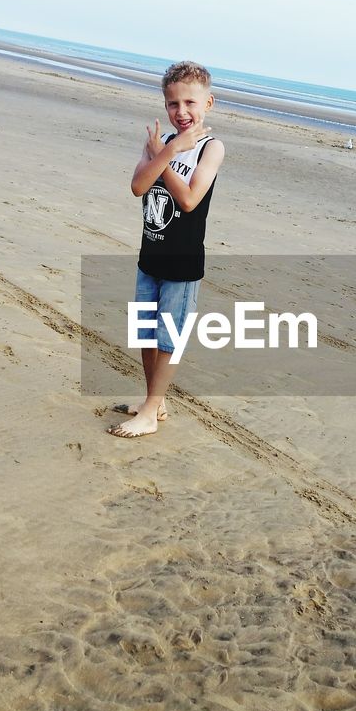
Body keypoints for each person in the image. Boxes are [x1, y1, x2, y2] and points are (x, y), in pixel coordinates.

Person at [109, 60, 225, 438]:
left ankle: (150, 411)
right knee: (145, 334)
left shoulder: (212, 148)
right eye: (174, 104)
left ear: (209, 103)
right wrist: (166, 150)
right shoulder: (161, 144)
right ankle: (153, 402)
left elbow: (190, 200)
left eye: (190, 103)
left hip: (182, 263)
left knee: (168, 339)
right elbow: (138, 187)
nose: (182, 111)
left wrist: (170, 154)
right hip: (150, 256)